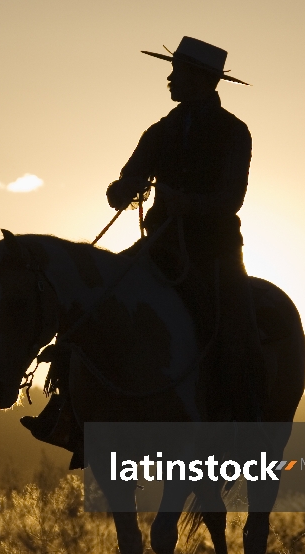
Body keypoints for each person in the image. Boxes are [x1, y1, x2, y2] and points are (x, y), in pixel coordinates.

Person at [22, 36, 266, 455]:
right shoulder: (159, 132)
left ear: (203, 81)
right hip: (160, 248)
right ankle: (69, 414)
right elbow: (127, 179)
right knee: (92, 306)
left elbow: (231, 200)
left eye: (179, 72)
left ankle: (242, 422)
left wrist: (186, 203)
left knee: (237, 333)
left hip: (215, 253)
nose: (170, 78)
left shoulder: (234, 133)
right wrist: (123, 188)